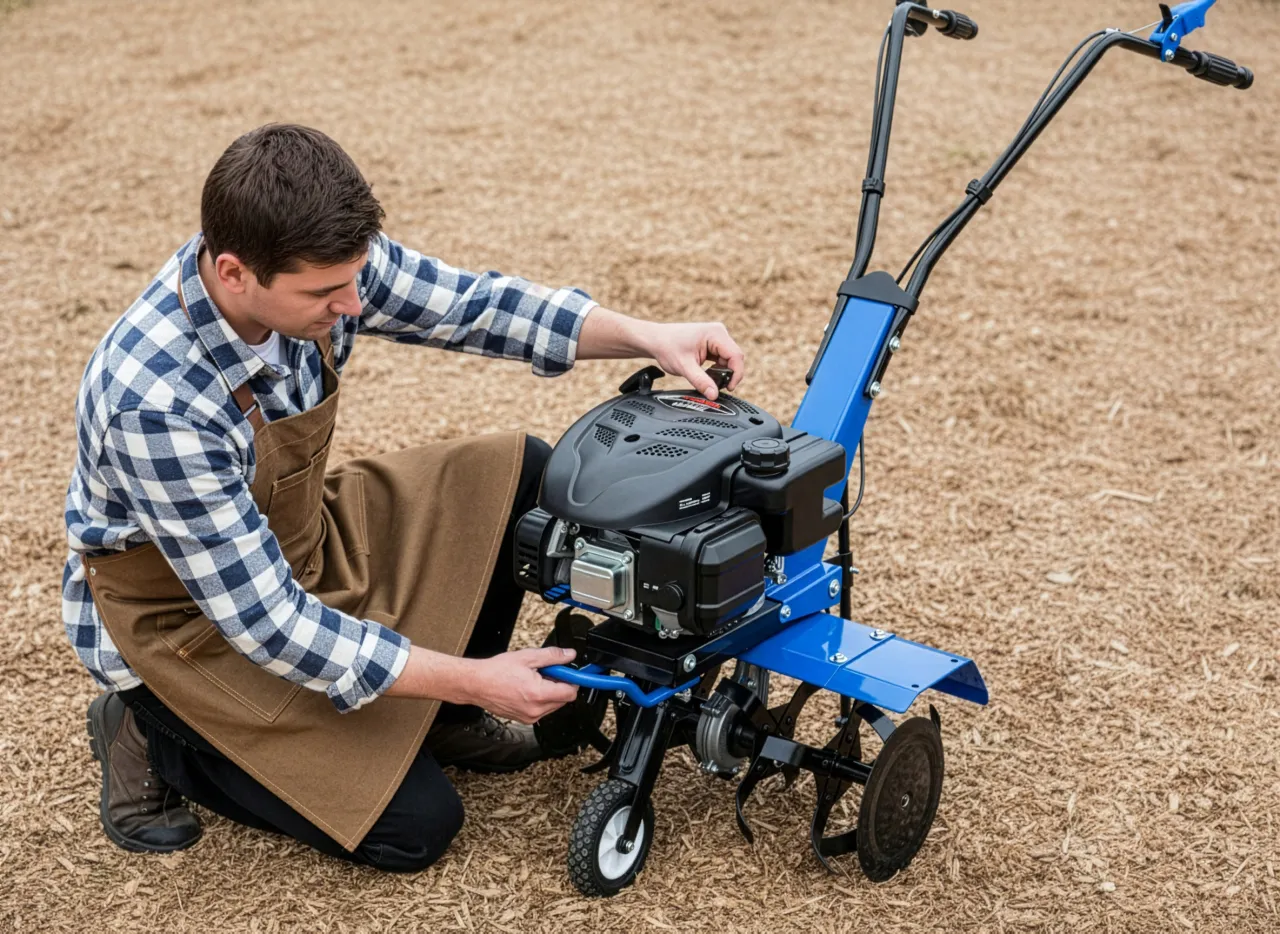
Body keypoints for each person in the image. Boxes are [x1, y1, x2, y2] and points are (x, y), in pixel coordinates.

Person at [62, 123, 747, 871]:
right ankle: (150, 732)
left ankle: (443, 719)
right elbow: (270, 625)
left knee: (522, 471)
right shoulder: (155, 404)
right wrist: (481, 680)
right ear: (234, 273)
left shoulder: (320, 258)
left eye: (356, 280)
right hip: (193, 625)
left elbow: (476, 307)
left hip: (298, 542)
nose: (354, 304)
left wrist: (649, 337)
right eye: (326, 293)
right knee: (415, 827)